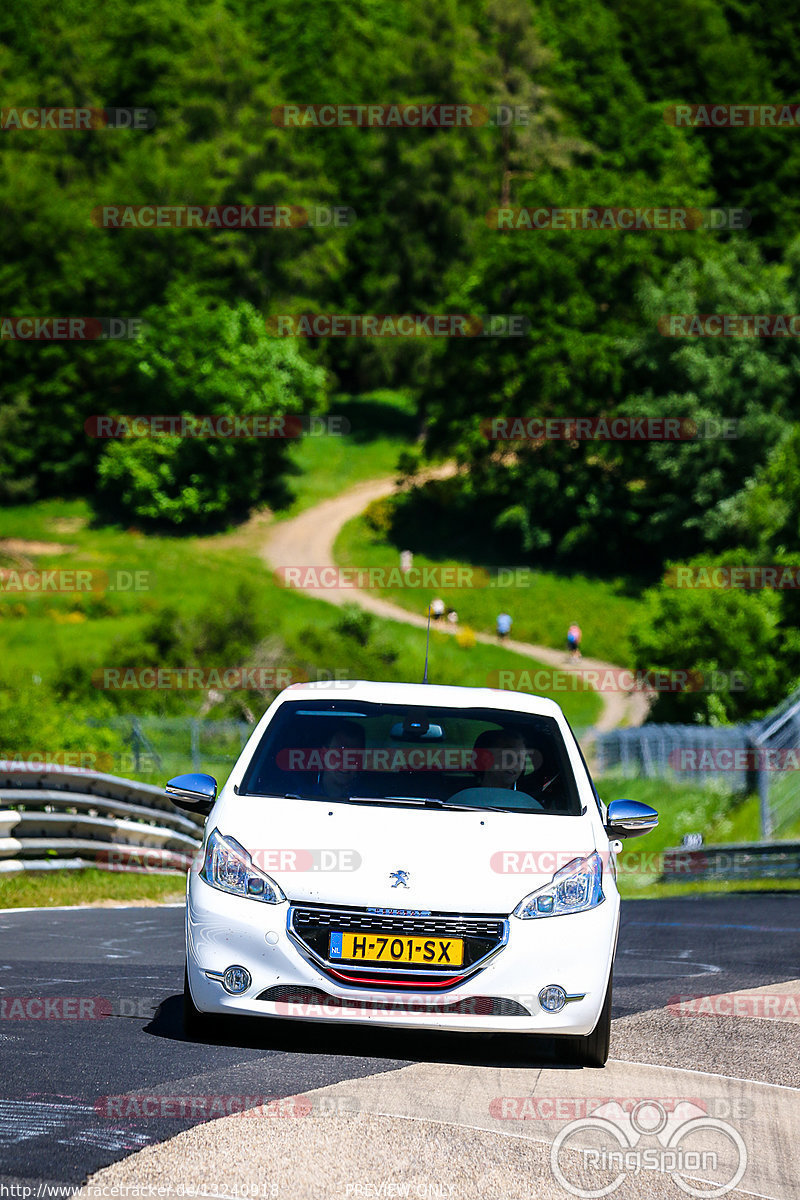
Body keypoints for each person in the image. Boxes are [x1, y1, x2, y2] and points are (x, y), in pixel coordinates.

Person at [317, 721, 365, 799]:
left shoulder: (373, 801)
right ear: (323, 754)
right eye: (339, 754)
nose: (346, 762)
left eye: (354, 755)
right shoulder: (298, 795)